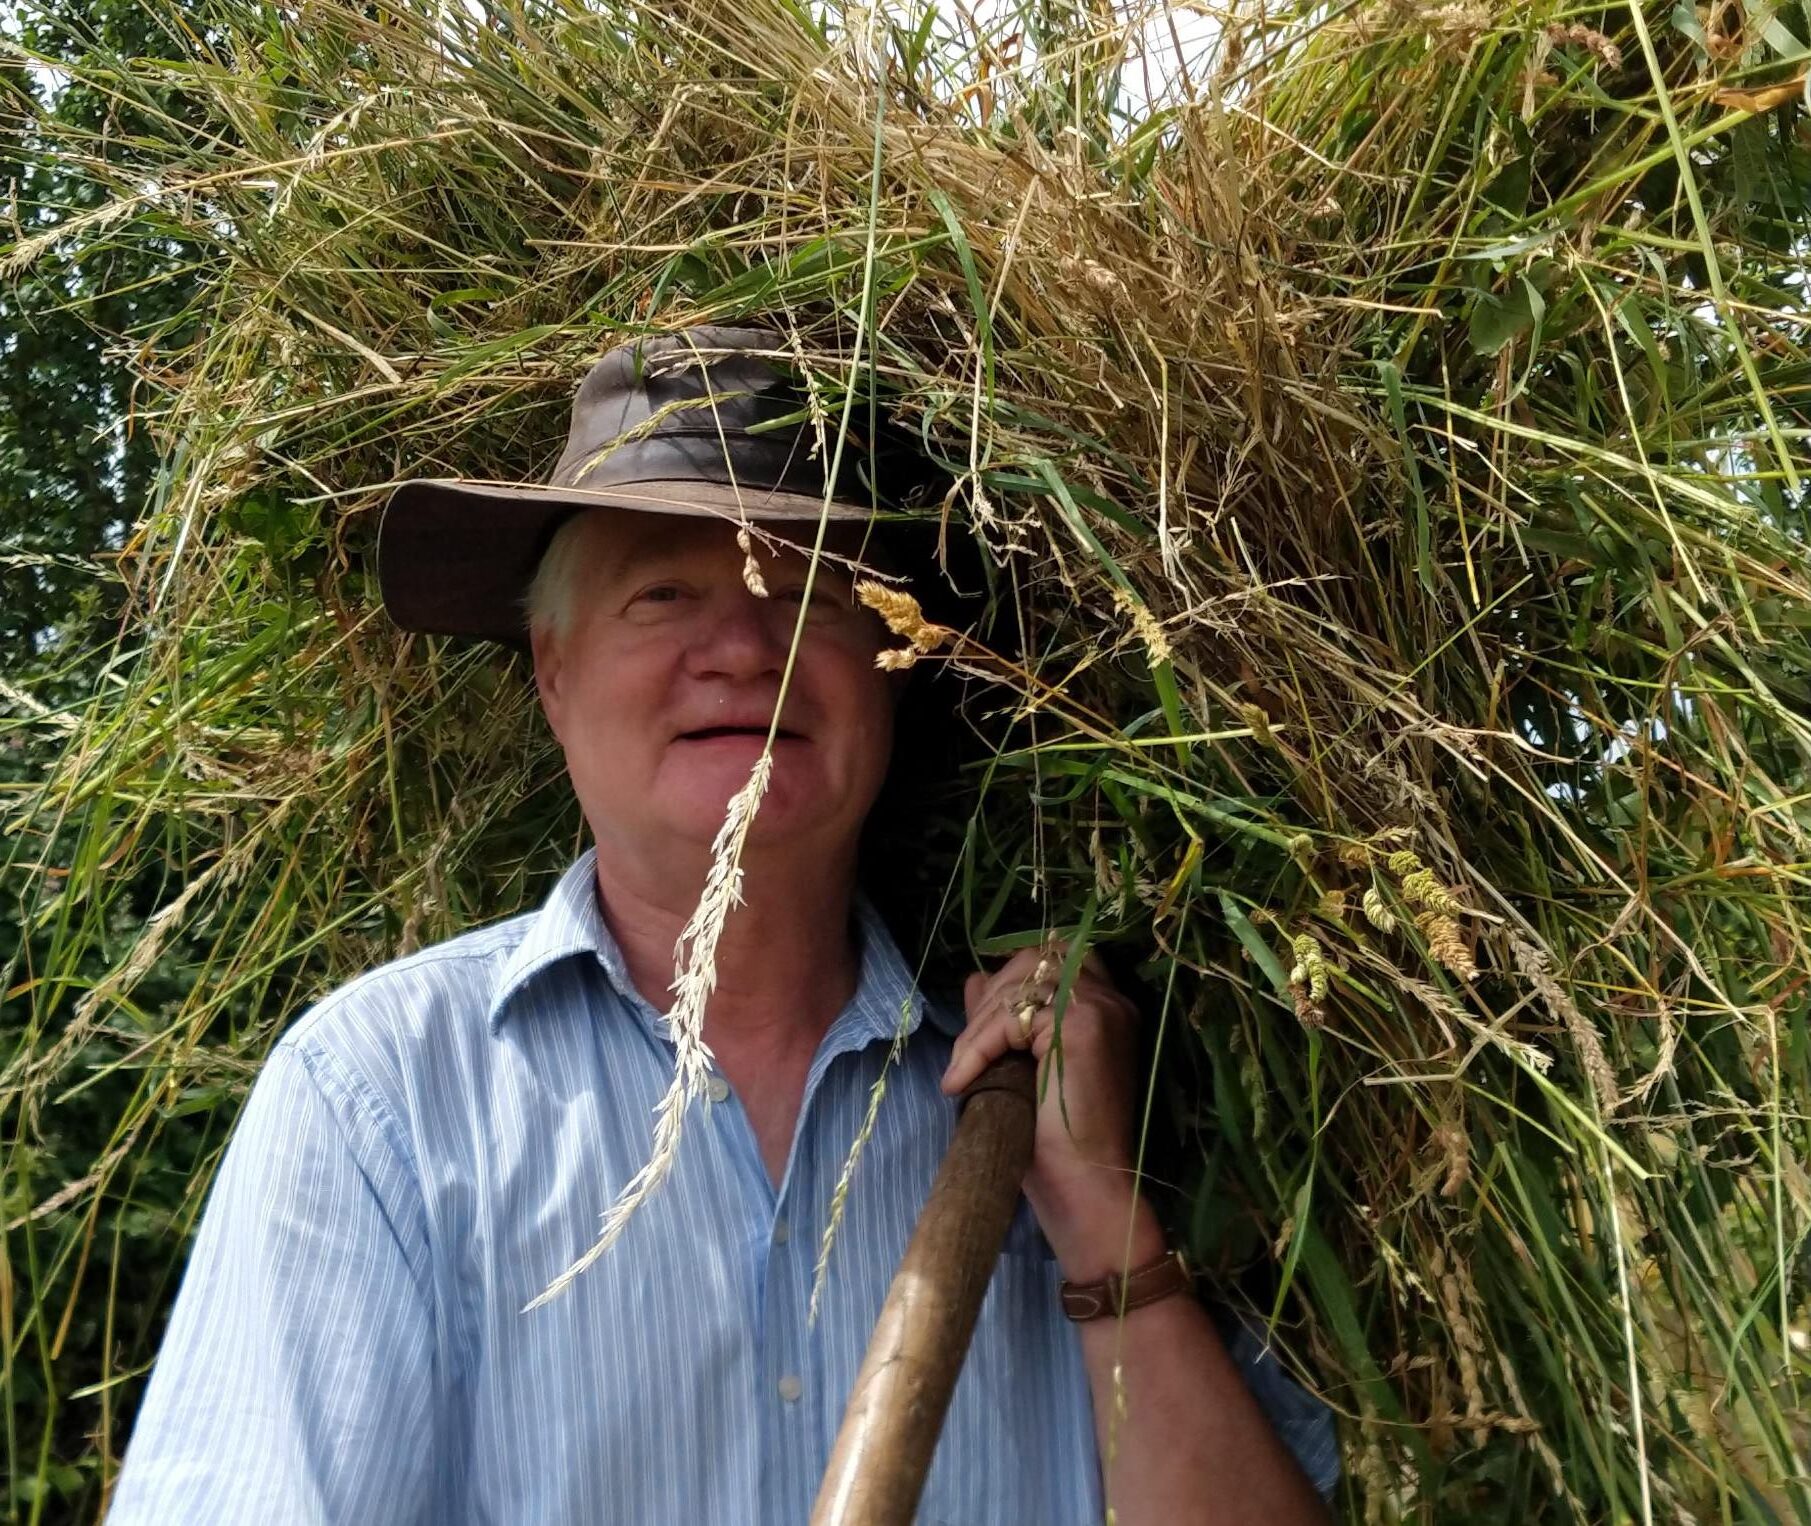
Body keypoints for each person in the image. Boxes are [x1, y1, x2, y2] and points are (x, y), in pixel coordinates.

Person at [107, 325, 1338, 1523]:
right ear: (551, 671)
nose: (747, 644)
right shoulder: (380, 1099)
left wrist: (1104, 1231)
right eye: (662, 592)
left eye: (807, 590)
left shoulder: (1060, 1097)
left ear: (892, 669)